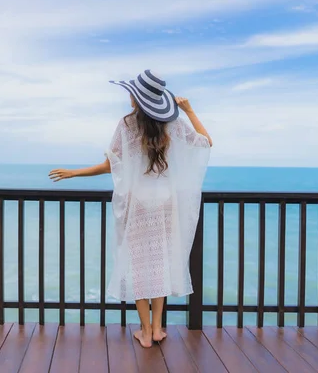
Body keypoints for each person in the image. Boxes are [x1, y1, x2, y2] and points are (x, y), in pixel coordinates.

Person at [49, 70, 212, 348]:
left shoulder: (126, 124)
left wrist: (74, 173)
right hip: (166, 203)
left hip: (138, 205)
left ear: (136, 98)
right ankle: (159, 329)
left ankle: (146, 332)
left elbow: (110, 165)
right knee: (160, 263)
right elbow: (206, 142)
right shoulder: (173, 124)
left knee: (139, 265)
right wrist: (190, 109)